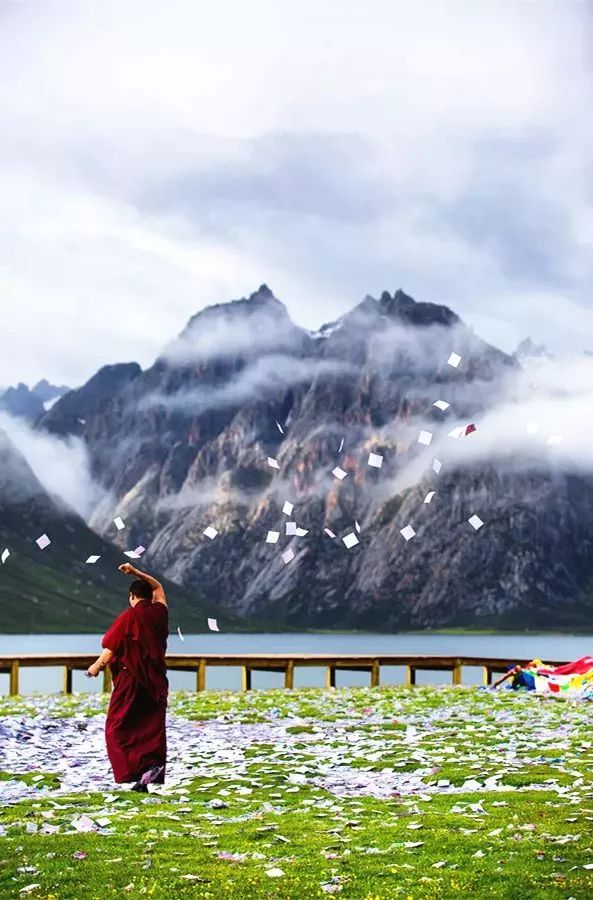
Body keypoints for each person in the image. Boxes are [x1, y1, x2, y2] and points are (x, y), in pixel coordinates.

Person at [86, 563, 169, 792]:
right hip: (155, 682)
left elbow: (112, 646)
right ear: (150, 596)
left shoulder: (129, 616)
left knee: (117, 727)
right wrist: (135, 572)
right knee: (150, 727)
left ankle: (133, 773)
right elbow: (159, 587)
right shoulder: (160, 613)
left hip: (130, 681)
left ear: (132, 596)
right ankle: (148, 774)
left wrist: (95, 667)